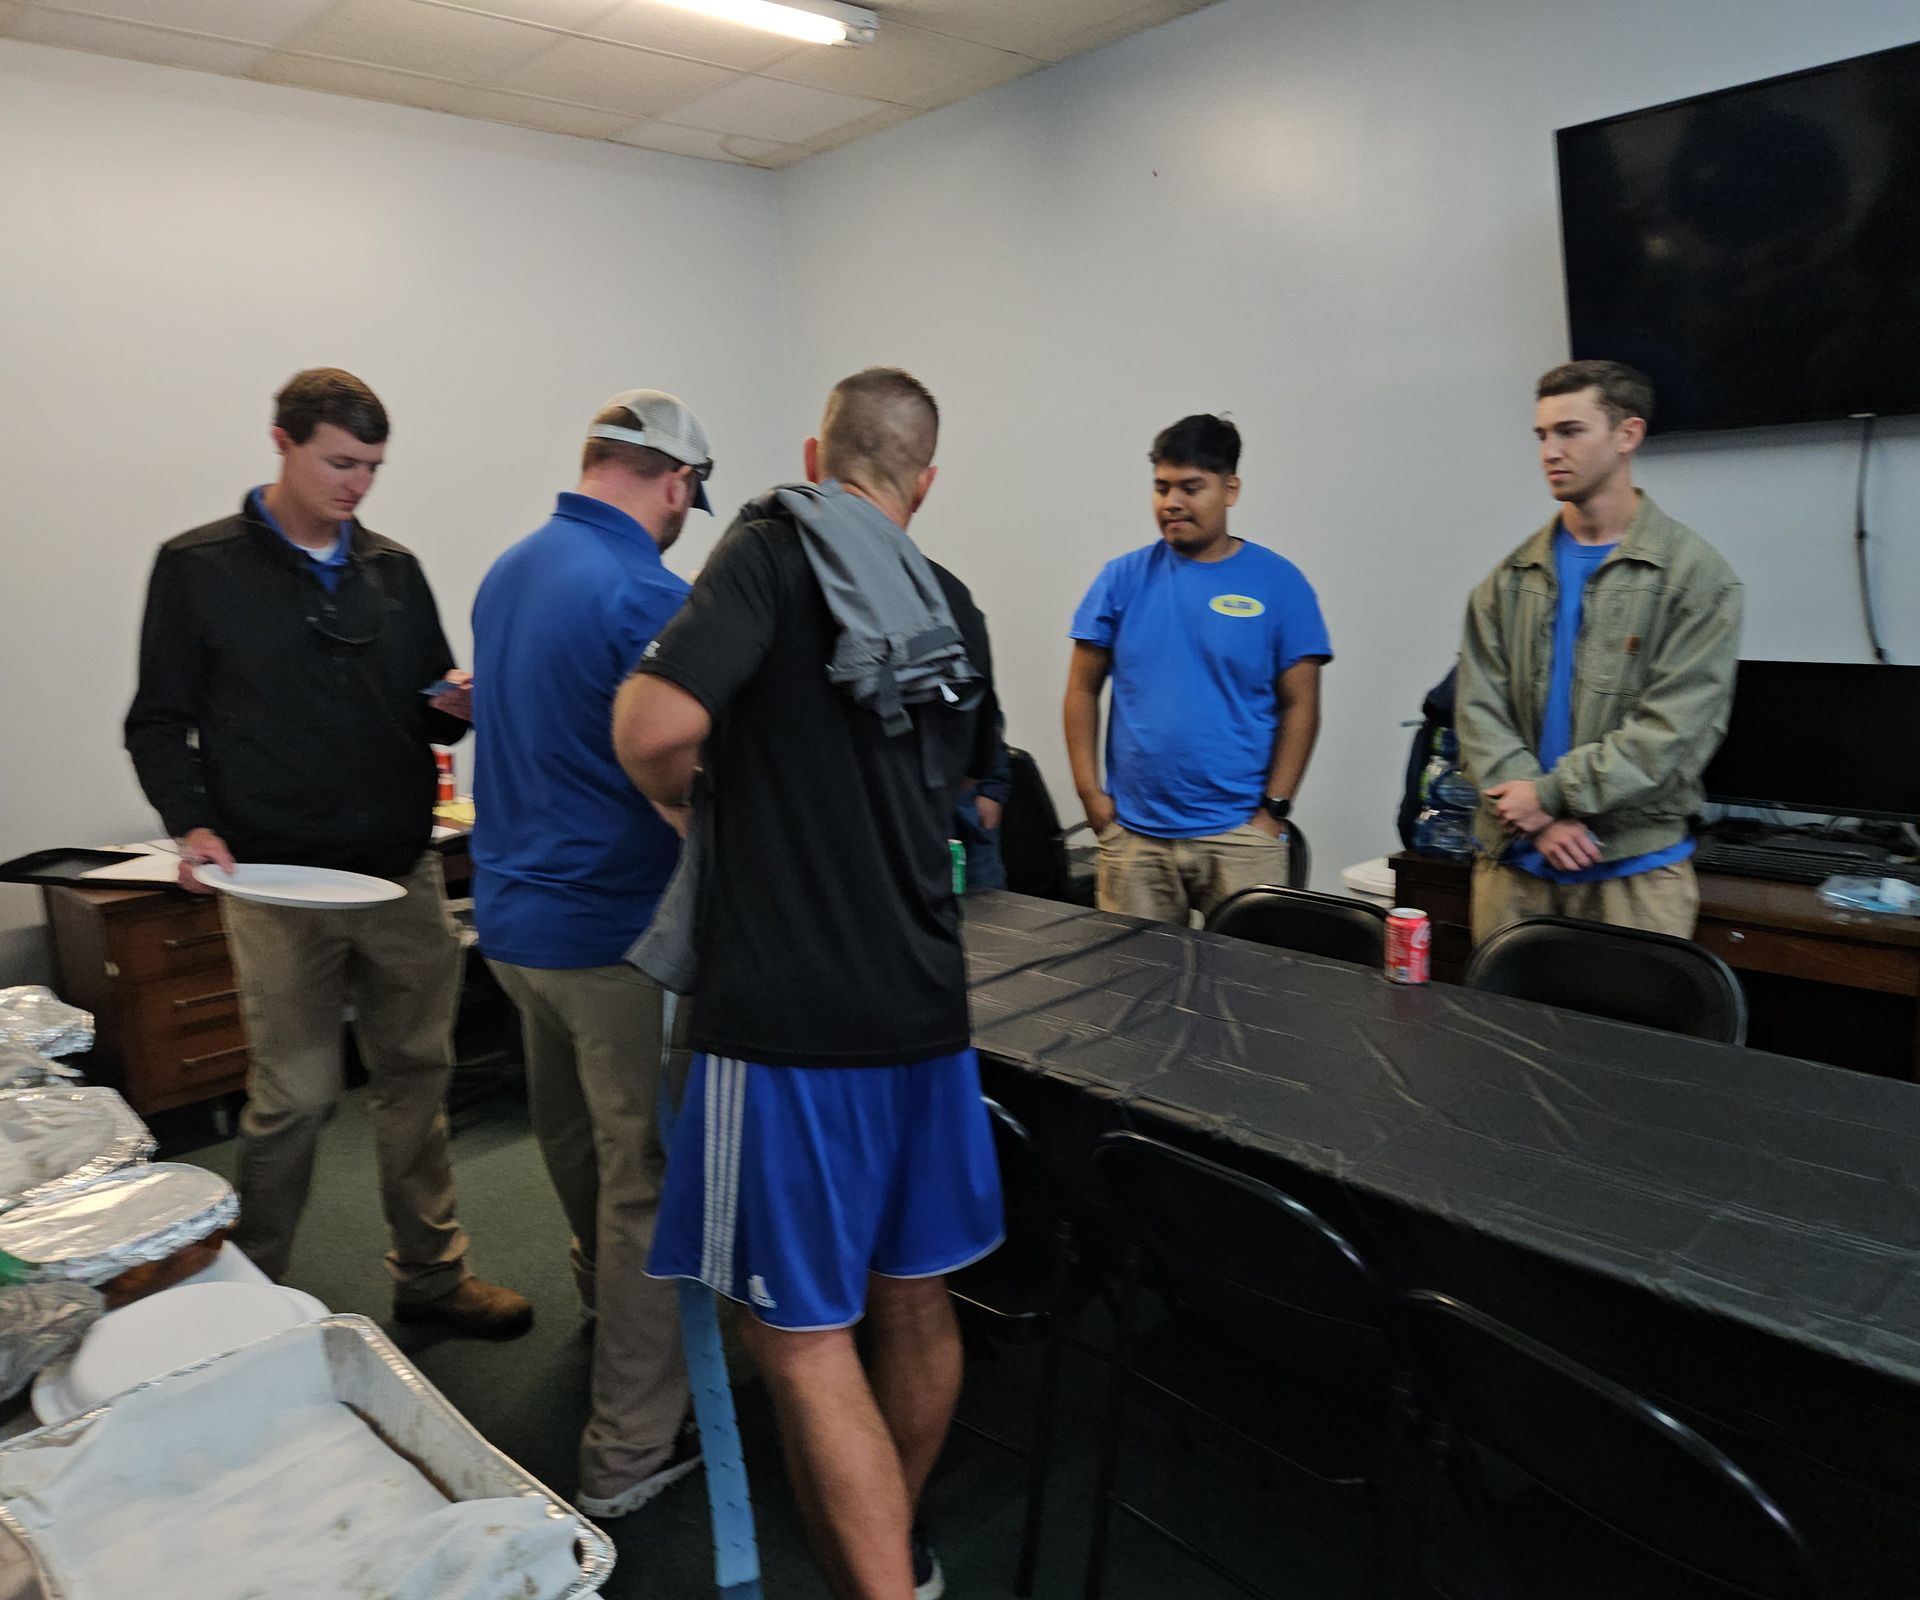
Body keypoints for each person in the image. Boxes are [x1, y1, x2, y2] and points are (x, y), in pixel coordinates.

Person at [611, 368, 1001, 1600]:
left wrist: (698, 800)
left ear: (814, 452)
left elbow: (649, 727)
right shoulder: (954, 604)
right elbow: (972, 797)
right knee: (915, 1297)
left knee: (800, 1332)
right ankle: (895, 1548)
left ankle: (872, 1571)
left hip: (788, 1018)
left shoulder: (772, 546)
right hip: (925, 1002)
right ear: (923, 483)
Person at [123, 367, 531, 1337]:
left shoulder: (394, 569)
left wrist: (453, 707)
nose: (358, 484)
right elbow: (157, 721)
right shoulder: (198, 566)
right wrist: (195, 823)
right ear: (283, 441)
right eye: (340, 462)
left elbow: (427, 707)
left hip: (400, 869)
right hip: (275, 880)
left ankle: (432, 1278)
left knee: (416, 1081)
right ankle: (246, 1301)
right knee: (295, 1099)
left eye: (374, 467)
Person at [468, 389, 712, 1517]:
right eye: (687, 503)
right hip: (614, 934)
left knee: (574, 1147)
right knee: (646, 1187)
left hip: (515, 930)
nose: (684, 520)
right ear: (670, 481)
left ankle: (610, 1312)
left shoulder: (510, 571)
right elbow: (688, 775)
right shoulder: (648, 593)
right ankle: (630, 1452)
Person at [1455, 359, 1743, 944]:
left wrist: (1550, 796)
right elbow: (1477, 712)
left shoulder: (1695, 578)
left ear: (1627, 435)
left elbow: (1669, 734)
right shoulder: (1508, 580)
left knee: (1630, 1038)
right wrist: (1536, 819)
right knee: (1498, 1036)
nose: (1549, 451)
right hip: (1515, 869)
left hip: (1633, 875)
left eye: (1570, 431)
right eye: (1541, 435)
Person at [1064, 413, 1332, 922]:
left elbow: (1303, 707)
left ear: (1230, 489)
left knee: (1244, 995)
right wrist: (1090, 796)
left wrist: (1272, 813)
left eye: (1191, 487)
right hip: (1135, 838)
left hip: (1239, 839)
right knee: (1134, 992)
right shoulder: (1119, 580)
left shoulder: (1280, 585)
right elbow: (1080, 690)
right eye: (1161, 487)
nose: (1172, 503)